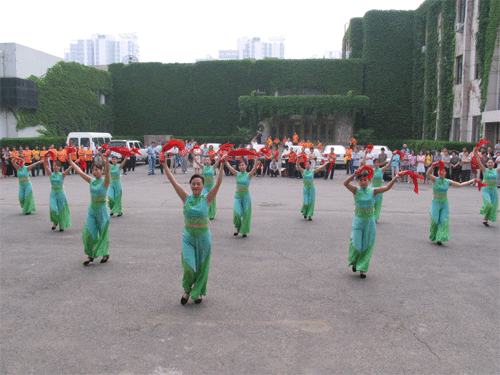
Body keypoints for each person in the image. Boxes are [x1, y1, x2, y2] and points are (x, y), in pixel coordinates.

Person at [160, 154, 224, 305]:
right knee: (188, 264)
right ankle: (187, 290)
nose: (196, 186)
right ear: (190, 185)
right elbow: (174, 182)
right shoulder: (185, 197)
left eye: (198, 184)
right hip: (188, 235)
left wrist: (222, 165)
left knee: (202, 265)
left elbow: (218, 183)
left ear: (203, 186)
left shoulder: (207, 198)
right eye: (193, 184)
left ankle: (199, 291)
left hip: (203, 235)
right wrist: (164, 166)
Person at [343, 167, 400, 278]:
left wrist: (395, 178)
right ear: (358, 181)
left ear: (369, 180)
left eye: (365, 180)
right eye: (360, 180)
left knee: (367, 244)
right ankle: (355, 261)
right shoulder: (355, 190)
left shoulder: (373, 191)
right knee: (356, 243)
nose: (363, 182)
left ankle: (363, 269)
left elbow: (387, 187)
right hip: (358, 220)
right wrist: (354, 174)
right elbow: (345, 183)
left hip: (369, 221)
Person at [69, 151, 111, 266]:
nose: (94, 172)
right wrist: (71, 161)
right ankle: (90, 254)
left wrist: (106, 160)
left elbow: (108, 172)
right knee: (89, 232)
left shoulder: (105, 182)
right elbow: (80, 172)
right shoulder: (91, 181)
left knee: (103, 232)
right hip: (92, 209)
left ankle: (105, 253)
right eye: (93, 170)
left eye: (97, 170)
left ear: (101, 171)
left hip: (102, 210)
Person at [425, 162, 474, 245]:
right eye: (441, 171)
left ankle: (439, 237)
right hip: (436, 202)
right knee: (434, 220)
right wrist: (433, 165)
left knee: (443, 220)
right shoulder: (435, 179)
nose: (442, 172)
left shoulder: (447, 181)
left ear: (446, 173)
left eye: (444, 171)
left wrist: (471, 181)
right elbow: (428, 174)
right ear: (438, 172)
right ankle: (434, 235)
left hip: (444, 203)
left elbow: (460, 185)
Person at [224, 158, 260, 237]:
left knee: (246, 214)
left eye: (243, 165)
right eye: (240, 165)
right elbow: (230, 167)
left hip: (246, 196)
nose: (241, 166)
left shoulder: (249, 175)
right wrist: (225, 161)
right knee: (236, 213)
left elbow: (254, 167)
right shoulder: (237, 174)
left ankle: (244, 231)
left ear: (246, 166)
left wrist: (256, 158)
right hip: (238, 196)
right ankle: (237, 228)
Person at [44, 158, 72, 231]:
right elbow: (45, 167)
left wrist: (72, 163)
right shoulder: (51, 174)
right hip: (53, 193)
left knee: (62, 209)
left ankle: (62, 225)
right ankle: (56, 221)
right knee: (52, 209)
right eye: (54, 166)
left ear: (59, 167)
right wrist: (45, 159)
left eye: (57, 166)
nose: (55, 167)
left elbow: (69, 169)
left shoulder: (62, 174)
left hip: (61, 193)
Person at [192, 152, 222, 220]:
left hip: (212, 186)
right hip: (205, 186)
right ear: (205, 161)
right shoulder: (203, 167)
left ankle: (212, 215)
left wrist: (220, 155)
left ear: (211, 161)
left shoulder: (213, 167)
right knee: (204, 198)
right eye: (206, 160)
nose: (207, 161)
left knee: (212, 200)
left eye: (208, 160)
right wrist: (192, 154)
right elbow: (196, 161)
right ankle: (204, 213)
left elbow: (218, 161)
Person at [475, 153, 499, 226]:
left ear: (494, 163)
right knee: (488, 203)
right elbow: (479, 163)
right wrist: (477, 156)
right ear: (486, 163)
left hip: (494, 189)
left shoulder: (497, 170)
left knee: (493, 204)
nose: (490, 164)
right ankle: (484, 212)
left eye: (492, 162)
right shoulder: (484, 170)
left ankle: (486, 219)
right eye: (489, 162)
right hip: (486, 188)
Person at [371, 155, 393, 222]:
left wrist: (392, 156)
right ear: (373, 164)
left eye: (377, 162)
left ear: (380, 163)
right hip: (372, 189)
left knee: (378, 204)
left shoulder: (381, 170)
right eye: (375, 163)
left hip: (380, 189)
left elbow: (389, 164)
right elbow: (364, 164)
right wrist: (365, 154)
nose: (376, 164)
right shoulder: (371, 170)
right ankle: (371, 216)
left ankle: (376, 217)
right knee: (371, 203)